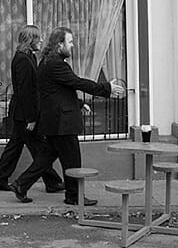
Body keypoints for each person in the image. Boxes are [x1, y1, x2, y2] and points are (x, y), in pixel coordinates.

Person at [10, 26, 126, 205]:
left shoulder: (49, 62)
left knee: (46, 157)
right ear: (59, 44)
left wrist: (80, 104)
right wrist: (106, 88)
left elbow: (61, 90)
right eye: (69, 42)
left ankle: (22, 184)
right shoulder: (55, 64)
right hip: (61, 122)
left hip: (56, 121)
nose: (72, 46)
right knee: (72, 160)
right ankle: (73, 196)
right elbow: (76, 82)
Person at [0, 25, 64, 193]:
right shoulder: (23, 59)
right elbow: (25, 91)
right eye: (38, 38)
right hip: (24, 113)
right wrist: (31, 118)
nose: (42, 41)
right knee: (39, 149)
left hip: (22, 112)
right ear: (30, 40)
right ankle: (52, 182)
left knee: (16, 146)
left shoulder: (27, 56)